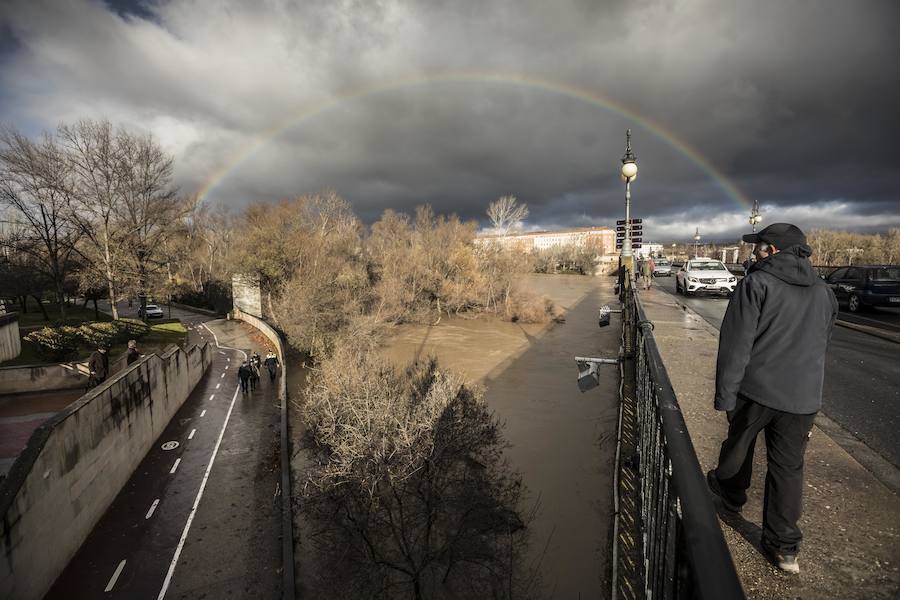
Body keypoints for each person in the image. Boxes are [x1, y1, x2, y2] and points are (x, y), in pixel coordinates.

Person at [707, 223, 838, 575]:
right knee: (788, 469)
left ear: (773, 250)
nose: (753, 252)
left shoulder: (756, 284)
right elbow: (823, 341)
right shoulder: (824, 291)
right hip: (802, 398)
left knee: (738, 449)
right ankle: (784, 549)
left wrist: (725, 396)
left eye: (758, 247)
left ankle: (731, 497)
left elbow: (735, 346)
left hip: (757, 390)